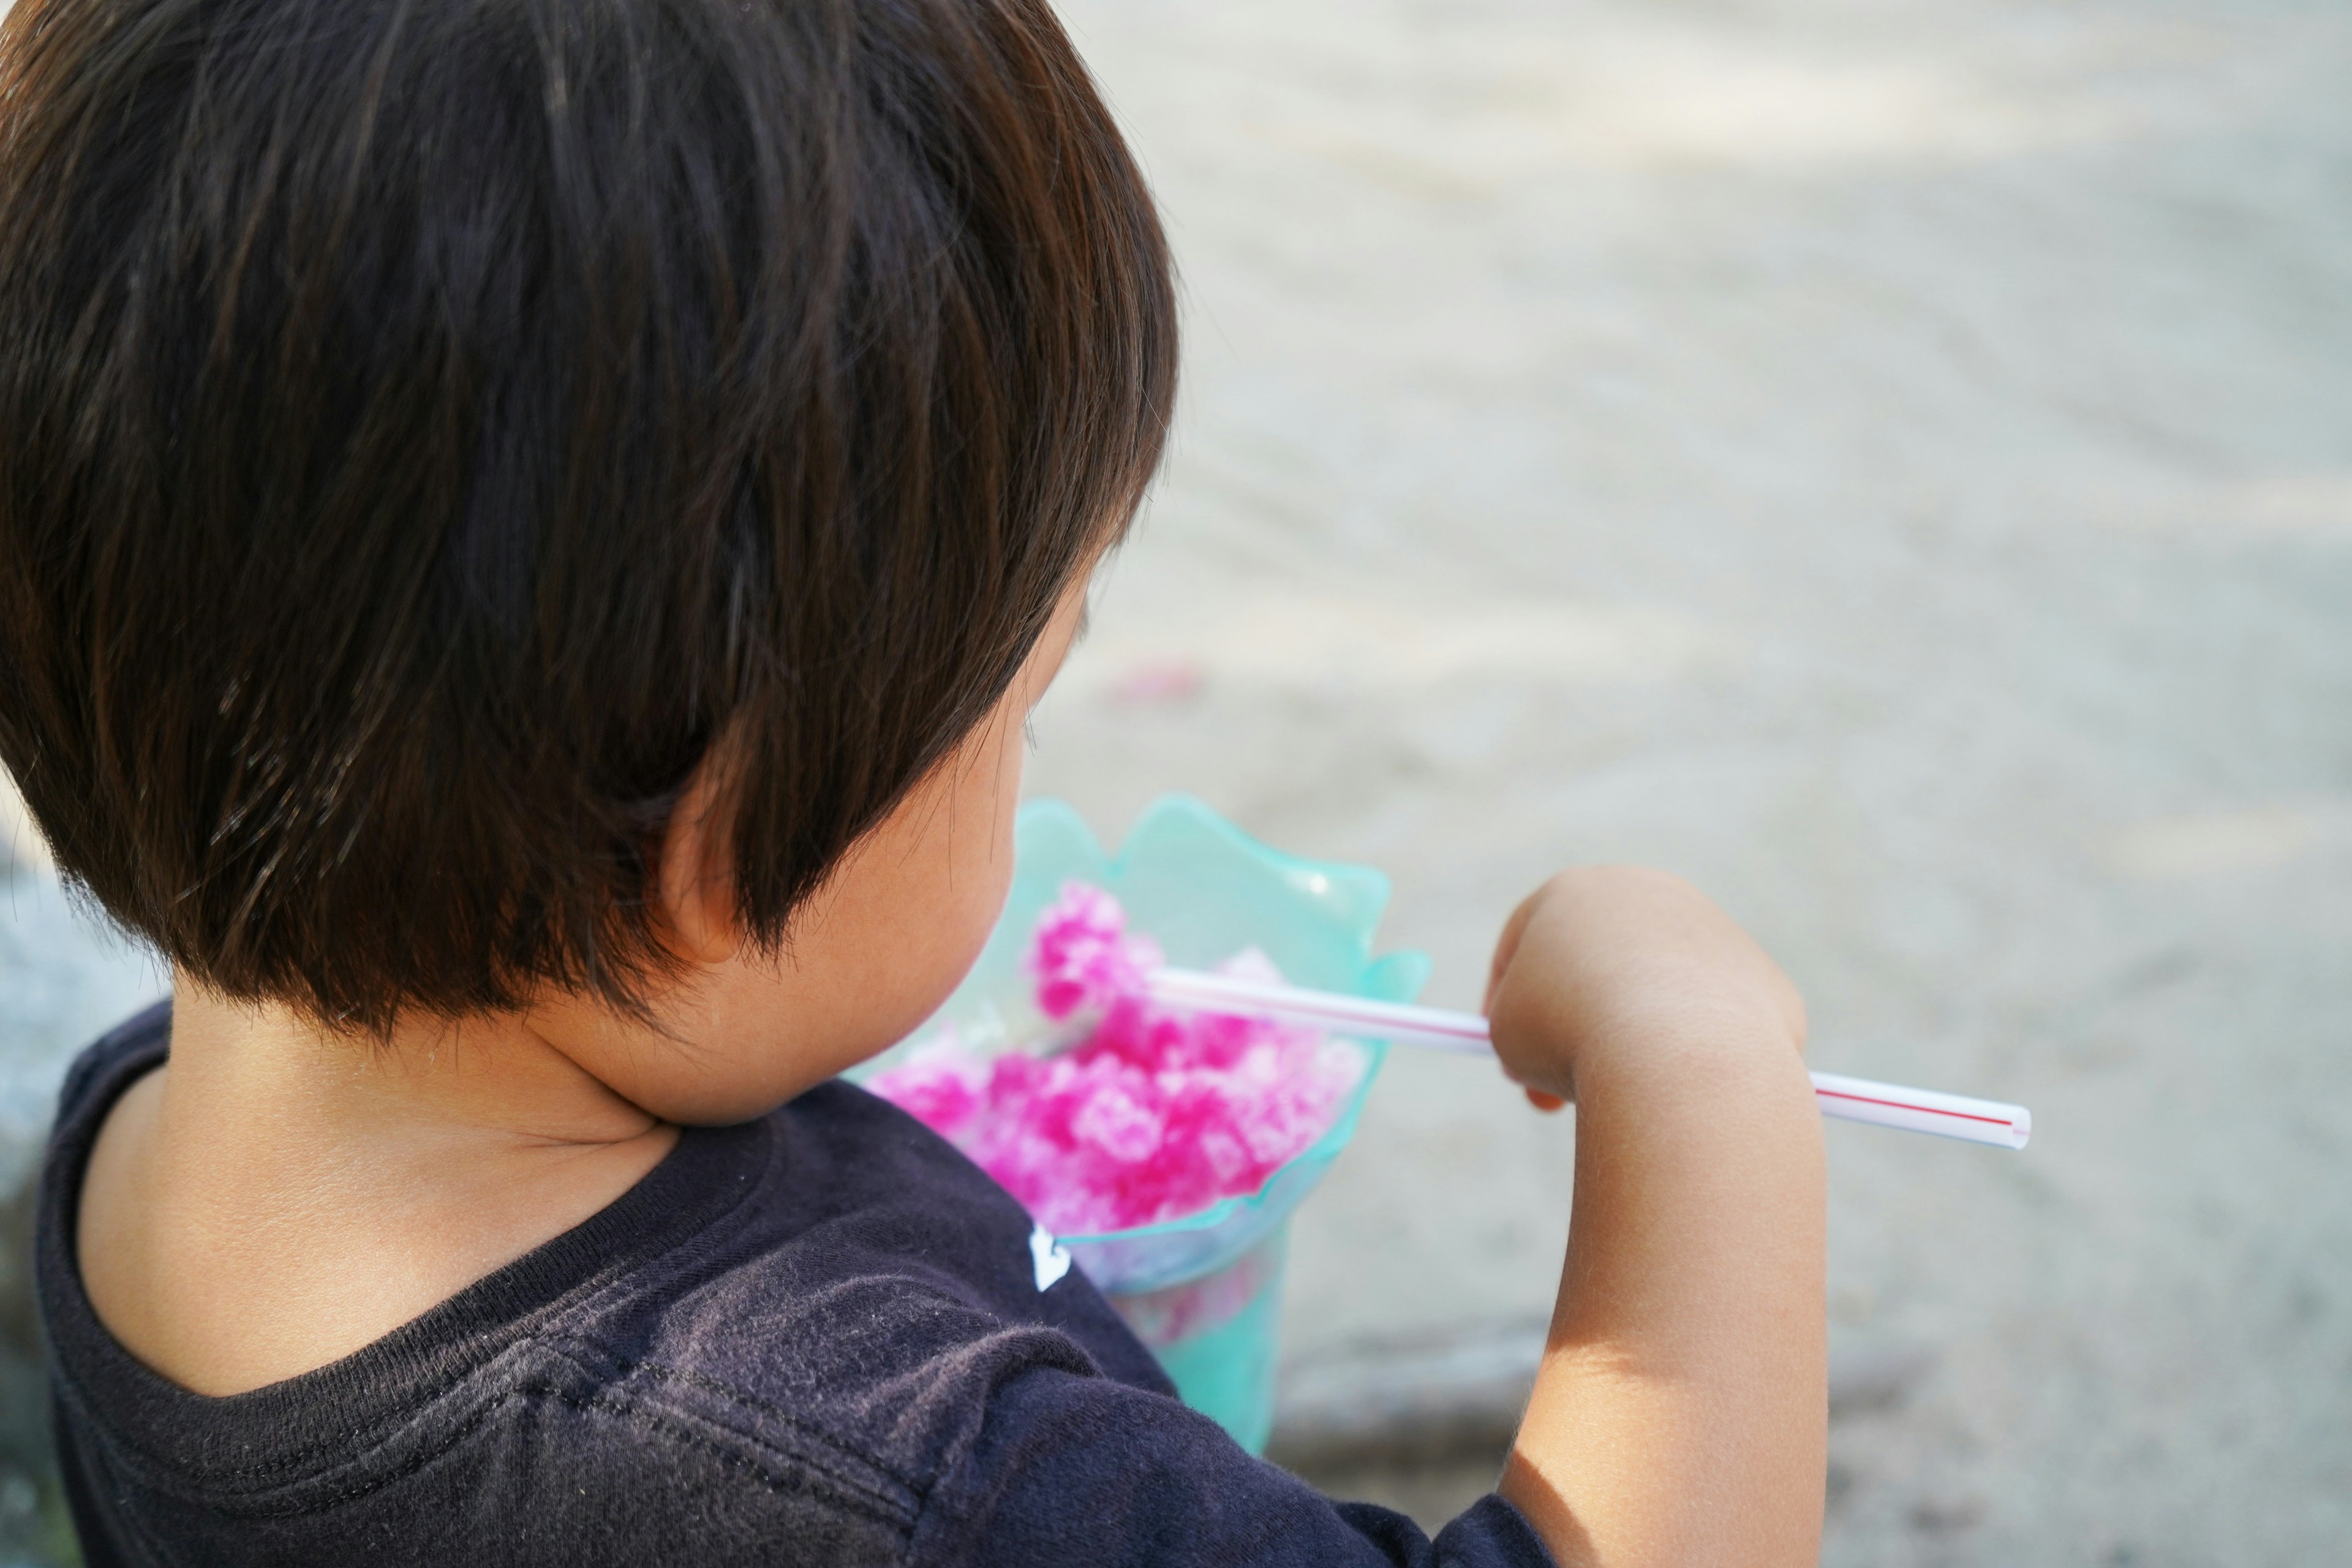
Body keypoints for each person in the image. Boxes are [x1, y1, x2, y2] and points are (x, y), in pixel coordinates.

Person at [0, 0, 1828, 1562]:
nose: (1030, 758)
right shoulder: (913, 1480)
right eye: (1026, 700)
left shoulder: (149, 1133)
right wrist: (1703, 1055)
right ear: (702, 857)